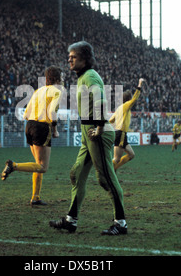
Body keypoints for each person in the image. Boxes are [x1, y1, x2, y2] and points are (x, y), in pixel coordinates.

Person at [49, 41, 127, 235]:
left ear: (85, 58)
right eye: (69, 56)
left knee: (106, 178)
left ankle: (121, 223)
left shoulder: (90, 76)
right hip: (89, 132)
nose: (69, 59)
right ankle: (71, 220)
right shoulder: (84, 77)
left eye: (73, 56)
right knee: (77, 174)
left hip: (96, 132)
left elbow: (100, 99)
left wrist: (100, 126)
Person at [1, 66, 63, 206]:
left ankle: (35, 197)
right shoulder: (57, 91)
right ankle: (13, 165)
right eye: (62, 77)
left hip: (29, 126)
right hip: (42, 127)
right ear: (57, 79)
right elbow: (52, 112)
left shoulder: (38, 91)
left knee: (36, 164)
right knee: (42, 167)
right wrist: (55, 129)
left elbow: (26, 114)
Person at [109, 78, 144, 171]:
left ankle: (114, 168)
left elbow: (111, 120)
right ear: (128, 99)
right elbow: (135, 98)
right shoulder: (125, 106)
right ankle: (108, 171)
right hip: (121, 134)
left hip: (121, 134)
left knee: (131, 155)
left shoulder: (119, 108)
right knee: (116, 158)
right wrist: (139, 84)